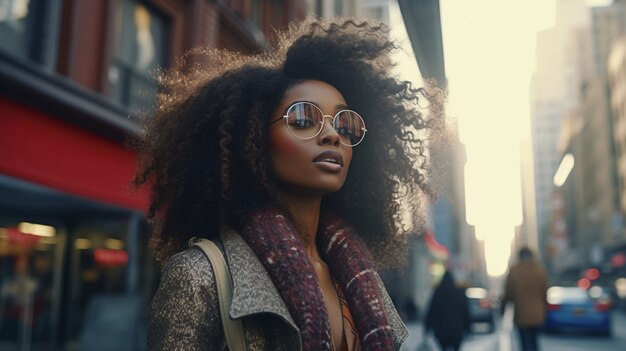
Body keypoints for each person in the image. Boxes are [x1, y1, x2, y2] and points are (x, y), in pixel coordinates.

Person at [135, 18, 442, 351]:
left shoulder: (363, 281)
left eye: (345, 124)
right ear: (253, 140)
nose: (331, 135)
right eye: (303, 119)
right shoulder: (200, 276)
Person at [501, 247, 548, 351]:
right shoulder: (539, 270)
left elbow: (508, 292)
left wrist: (503, 309)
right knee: (534, 342)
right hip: (537, 314)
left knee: (525, 343)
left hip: (521, 314)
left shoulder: (515, 271)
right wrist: (545, 309)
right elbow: (545, 291)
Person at [424, 270, 470, 351]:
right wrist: (467, 327)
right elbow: (465, 311)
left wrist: (427, 327)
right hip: (456, 329)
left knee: (443, 348)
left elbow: (431, 311)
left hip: (441, 330)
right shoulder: (459, 293)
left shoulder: (438, 293)